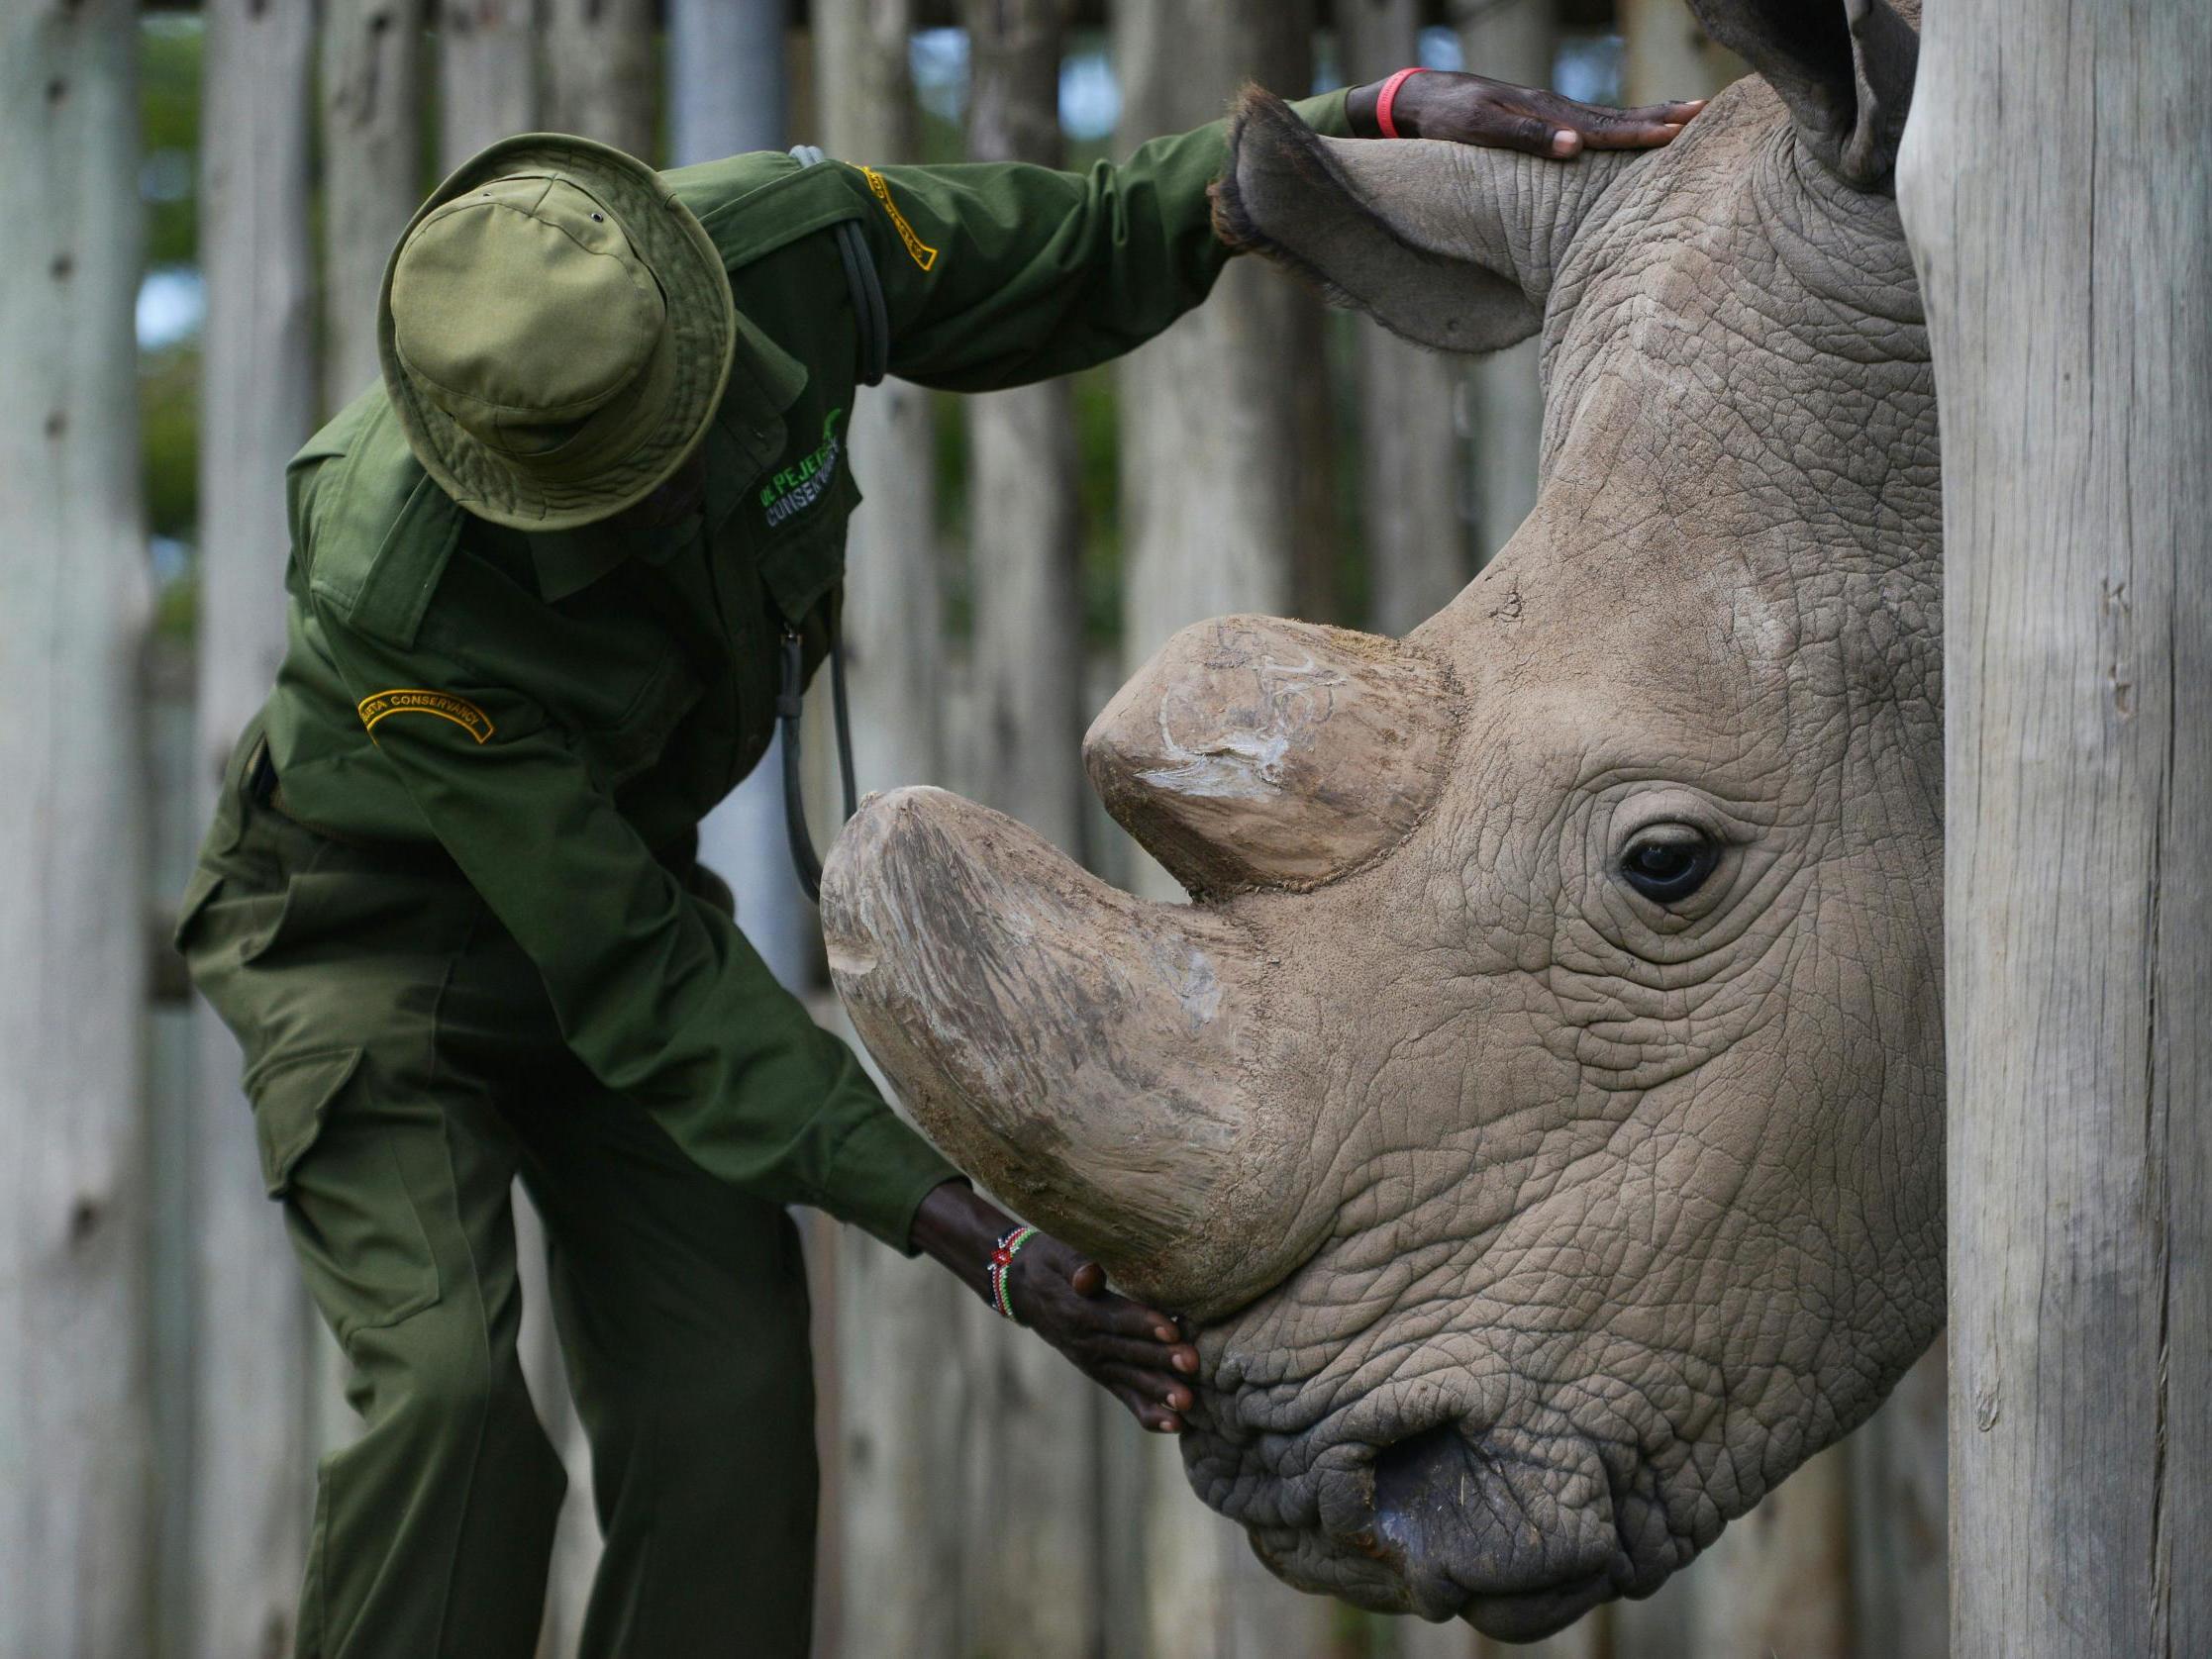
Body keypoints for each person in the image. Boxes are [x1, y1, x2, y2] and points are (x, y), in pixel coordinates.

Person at [174, 59, 1699, 1659]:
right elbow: (631, 970)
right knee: (447, 1403)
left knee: (728, 1395)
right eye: (606, 490)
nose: (673, 497)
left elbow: (1088, 237)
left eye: (672, 435)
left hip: (623, 911)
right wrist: (971, 1233)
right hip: (370, 948)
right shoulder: (401, 592)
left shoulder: (785, 249)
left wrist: (1351, 130)